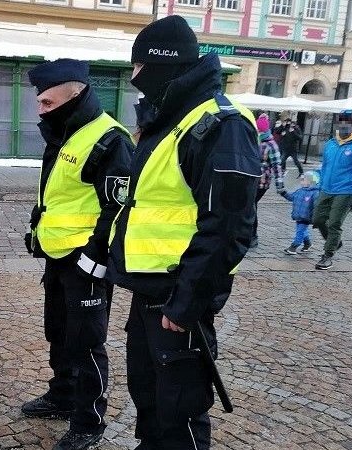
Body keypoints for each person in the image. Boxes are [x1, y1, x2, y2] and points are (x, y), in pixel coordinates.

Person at [108, 16, 260, 449]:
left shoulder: (219, 124)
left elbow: (229, 229)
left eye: (137, 67)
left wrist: (187, 304)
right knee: (148, 397)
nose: (134, 79)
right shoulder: (173, 119)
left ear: (161, 64)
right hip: (148, 289)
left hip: (178, 295)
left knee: (181, 409)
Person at [22, 58, 133, 450]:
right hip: (58, 253)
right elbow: (61, 194)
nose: (41, 111)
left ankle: (89, 422)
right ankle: (62, 394)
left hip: (87, 260)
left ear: (76, 93)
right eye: (40, 103)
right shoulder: (67, 132)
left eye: (48, 103)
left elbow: (118, 207)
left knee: (87, 342)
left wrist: (94, 257)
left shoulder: (110, 138)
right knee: (59, 330)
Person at [312, 110, 352, 270]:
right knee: (317, 219)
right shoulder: (331, 143)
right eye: (341, 123)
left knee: (334, 223)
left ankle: (327, 255)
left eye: (347, 124)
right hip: (326, 188)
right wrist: (318, 182)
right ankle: (335, 242)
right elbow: (324, 166)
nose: (343, 127)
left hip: (346, 191)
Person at [252, 113, 285, 248]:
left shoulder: (271, 144)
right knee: (250, 206)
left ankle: (253, 236)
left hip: (262, 181)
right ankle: (249, 234)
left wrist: (280, 186)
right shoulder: (254, 140)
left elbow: (277, 165)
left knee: (251, 206)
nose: (258, 132)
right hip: (250, 180)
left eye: (260, 130)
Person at [280, 171, 321, 254]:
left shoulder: (315, 193)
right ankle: (307, 243)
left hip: (306, 217)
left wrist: (315, 217)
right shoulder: (299, 191)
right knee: (302, 231)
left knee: (300, 231)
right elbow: (291, 197)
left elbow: (316, 206)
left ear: (311, 182)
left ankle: (294, 246)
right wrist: (284, 193)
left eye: (304, 180)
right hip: (298, 216)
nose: (301, 181)